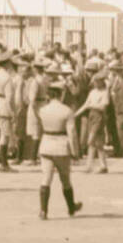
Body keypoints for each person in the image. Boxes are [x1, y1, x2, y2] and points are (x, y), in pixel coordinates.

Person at [36, 77, 82, 219]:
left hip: (46, 144)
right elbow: (72, 133)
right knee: (66, 179)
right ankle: (71, 208)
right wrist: (75, 152)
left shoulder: (42, 110)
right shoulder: (67, 111)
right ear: (60, 94)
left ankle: (43, 210)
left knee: (46, 179)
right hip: (61, 145)